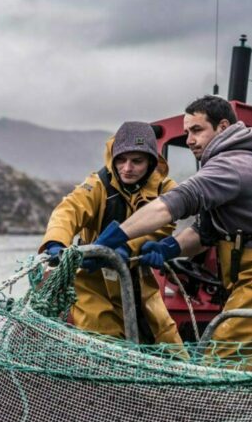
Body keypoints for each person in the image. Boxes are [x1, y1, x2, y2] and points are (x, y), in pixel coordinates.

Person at [91, 96, 252, 361]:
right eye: (187, 131)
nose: (190, 139)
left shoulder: (232, 164)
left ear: (223, 127)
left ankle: (211, 403)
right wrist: (169, 248)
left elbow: (174, 203)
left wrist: (112, 239)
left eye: (197, 130)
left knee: (222, 358)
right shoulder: (246, 158)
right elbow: (207, 231)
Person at [39, 121, 182, 344]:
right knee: (104, 343)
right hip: (93, 283)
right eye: (121, 160)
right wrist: (56, 243)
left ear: (151, 162)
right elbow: (68, 210)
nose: (127, 168)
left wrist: (134, 247)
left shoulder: (166, 189)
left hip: (139, 281)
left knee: (169, 345)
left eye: (137, 161)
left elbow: (163, 226)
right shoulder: (97, 185)